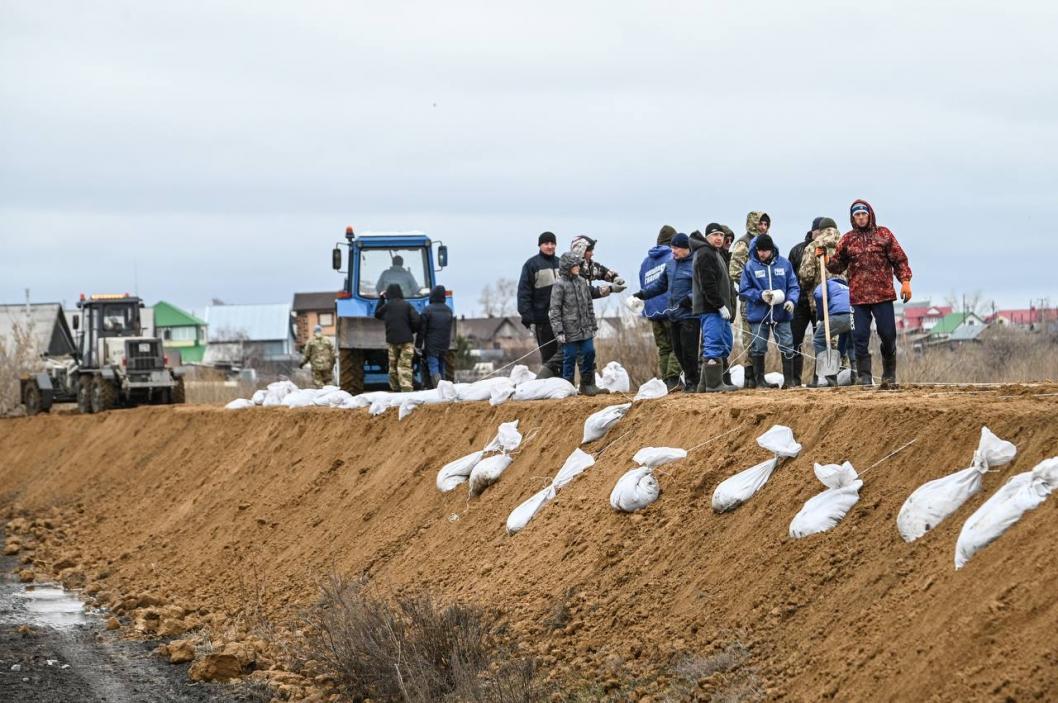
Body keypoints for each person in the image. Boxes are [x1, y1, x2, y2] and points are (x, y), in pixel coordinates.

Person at [826, 199, 912, 389]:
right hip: (858, 298)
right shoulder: (848, 239)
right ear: (853, 218)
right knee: (860, 337)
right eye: (857, 215)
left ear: (869, 214)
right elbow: (836, 266)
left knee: (888, 335)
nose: (861, 218)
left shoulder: (884, 234)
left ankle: (889, 375)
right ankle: (865, 377)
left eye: (863, 214)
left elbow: (899, 260)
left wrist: (905, 281)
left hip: (883, 295)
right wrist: (825, 258)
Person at [634, 232, 699, 391]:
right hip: (673, 315)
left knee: (689, 351)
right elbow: (660, 286)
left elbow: (701, 287)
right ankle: (690, 380)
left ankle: (692, 383)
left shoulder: (695, 264)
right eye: (672, 247)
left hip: (690, 316)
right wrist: (643, 294)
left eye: (677, 248)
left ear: (686, 248)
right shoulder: (670, 265)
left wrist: (690, 298)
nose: (674, 251)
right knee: (677, 351)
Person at [739, 233, 800, 389]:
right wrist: (760, 295)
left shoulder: (784, 264)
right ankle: (760, 381)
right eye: (759, 250)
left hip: (782, 313)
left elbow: (793, 286)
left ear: (772, 249)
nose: (762, 254)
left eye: (765, 251)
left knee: (787, 344)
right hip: (759, 314)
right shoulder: (750, 266)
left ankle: (789, 381)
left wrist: (791, 301)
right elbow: (744, 290)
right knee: (758, 346)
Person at [548, 252, 609, 396]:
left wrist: (593, 325)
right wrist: (559, 332)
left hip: (585, 328)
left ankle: (587, 385)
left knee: (589, 352)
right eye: (575, 265)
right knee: (569, 357)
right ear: (567, 267)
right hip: (569, 330)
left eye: (578, 265)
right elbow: (554, 310)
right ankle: (567, 387)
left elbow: (589, 305)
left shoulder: (582, 282)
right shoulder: (559, 285)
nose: (577, 267)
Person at [799, 216, 850, 383]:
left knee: (824, 338)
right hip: (846, 301)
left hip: (822, 301)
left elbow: (806, 275)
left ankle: (829, 377)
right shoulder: (846, 245)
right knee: (846, 339)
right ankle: (845, 374)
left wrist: (808, 288)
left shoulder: (814, 246)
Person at [728, 211, 770, 386]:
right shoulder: (743, 244)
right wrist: (754, 286)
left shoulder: (766, 244)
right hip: (750, 300)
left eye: (766, 224)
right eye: (760, 224)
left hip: (766, 299)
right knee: (750, 339)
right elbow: (734, 271)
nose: (763, 227)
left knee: (761, 339)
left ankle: (759, 377)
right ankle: (750, 378)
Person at [694, 224, 737, 392]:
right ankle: (714, 384)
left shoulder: (715, 253)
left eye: (721, 235)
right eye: (715, 235)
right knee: (713, 345)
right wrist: (719, 305)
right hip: (711, 309)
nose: (719, 238)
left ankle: (704, 384)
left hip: (719, 309)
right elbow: (708, 284)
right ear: (707, 237)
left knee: (725, 343)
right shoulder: (705, 254)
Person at [638, 225, 681, 389]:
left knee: (664, 348)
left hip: (652, 311)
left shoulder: (645, 263)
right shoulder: (672, 257)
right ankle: (673, 378)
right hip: (670, 309)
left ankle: (666, 381)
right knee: (677, 345)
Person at [517, 232, 562, 377]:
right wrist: (528, 318)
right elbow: (524, 294)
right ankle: (549, 385)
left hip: (562, 319)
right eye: (546, 243)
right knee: (549, 357)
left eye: (552, 243)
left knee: (565, 356)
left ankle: (566, 385)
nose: (550, 246)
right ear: (540, 245)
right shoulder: (532, 265)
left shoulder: (561, 263)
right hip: (543, 321)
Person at [787, 217, 824, 387]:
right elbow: (790, 276)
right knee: (795, 341)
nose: (821, 234)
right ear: (813, 230)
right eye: (819, 230)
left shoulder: (828, 249)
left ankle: (819, 378)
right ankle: (794, 379)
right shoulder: (798, 250)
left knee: (821, 341)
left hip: (819, 304)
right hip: (800, 304)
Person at [374, 283, 421, 392]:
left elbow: (377, 314)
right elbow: (417, 320)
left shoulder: (387, 306)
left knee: (393, 367)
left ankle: (395, 389)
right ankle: (406, 390)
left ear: (388, 294)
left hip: (392, 341)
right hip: (407, 341)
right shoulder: (407, 305)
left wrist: (381, 298)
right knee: (404, 366)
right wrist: (411, 330)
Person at [812, 274, 853, 387]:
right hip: (855, 316)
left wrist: (821, 316)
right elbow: (843, 339)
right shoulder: (848, 288)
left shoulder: (826, 284)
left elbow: (819, 295)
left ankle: (830, 377)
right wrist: (839, 352)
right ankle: (857, 376)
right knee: (852, 344)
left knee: (818, 339)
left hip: (838, 315)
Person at [417, 285, 453, 388]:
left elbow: (422, 330)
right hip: (444, 344)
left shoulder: (427, 310)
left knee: (433, 366)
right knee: (441, 366)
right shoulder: (448, 310)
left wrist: (418, 345)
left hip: (432, 344)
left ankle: (437, 388)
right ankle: (444, 388)